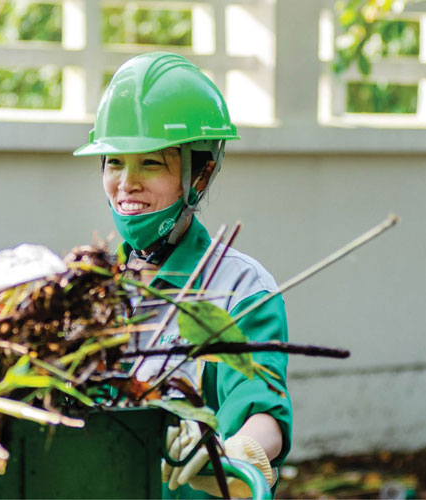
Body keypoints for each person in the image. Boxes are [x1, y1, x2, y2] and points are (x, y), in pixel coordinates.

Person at [74, 52, 292, 498]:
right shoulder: (85, 290)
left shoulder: (239, 290)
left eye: (150, 163)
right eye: (115, 162)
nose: (126, 183)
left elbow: (264, 410)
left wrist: (236, 454)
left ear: (200, 174)